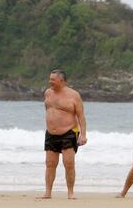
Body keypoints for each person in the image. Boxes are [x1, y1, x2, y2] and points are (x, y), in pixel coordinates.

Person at [39, 69, 87, 199]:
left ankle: (70, 192)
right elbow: (49, 111)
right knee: (50, 163)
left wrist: (83, 134)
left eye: (53, 80)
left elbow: (81, 116)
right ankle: (48, 192)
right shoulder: (48, 93)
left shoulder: (74, 95)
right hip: (51, 133)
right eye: (50, 79)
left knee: (69, 163)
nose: (50, 82)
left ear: (61, 81)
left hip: (68, 132)